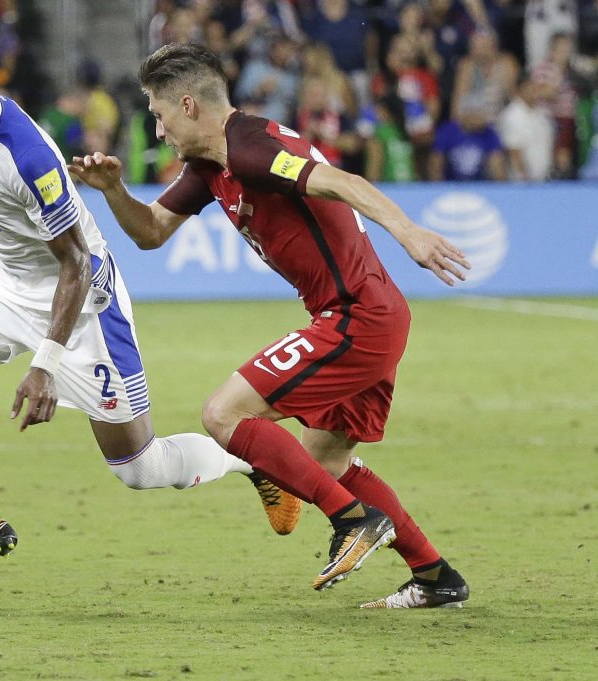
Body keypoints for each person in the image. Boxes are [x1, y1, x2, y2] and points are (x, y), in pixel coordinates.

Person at [0, 39, 300, 573]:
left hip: (82, 304)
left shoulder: (26, 158)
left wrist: (44, 366)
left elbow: (74, 261)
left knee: (139, 467)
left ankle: (254, 461)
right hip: (6, 289)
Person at [69, 42, 472, 608]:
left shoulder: (252, 151)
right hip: (371, 314)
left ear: (188, 105)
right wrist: (113, 190)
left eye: (159, 116)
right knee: (326, 460)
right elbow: (152, 231)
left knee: (222, 413)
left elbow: (343, 182)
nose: (158, 132)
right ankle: (435, 577)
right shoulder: (212, 165)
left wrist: (408, 231)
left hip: (357, 317)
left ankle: (353, 521)